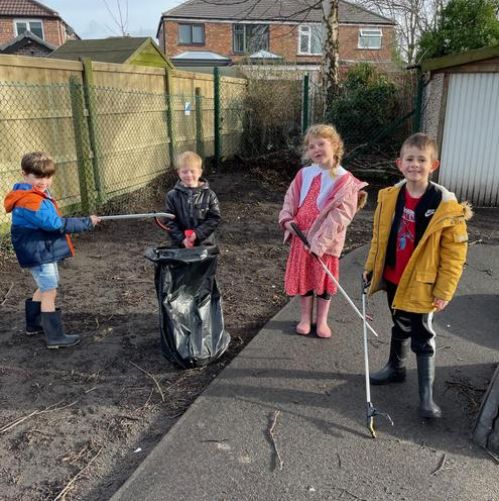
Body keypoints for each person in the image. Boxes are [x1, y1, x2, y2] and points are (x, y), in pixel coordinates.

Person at [363, 133, 471, 418]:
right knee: (399, 325)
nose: (415, 165)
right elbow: (379, 237)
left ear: (433, 164)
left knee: (422, 334)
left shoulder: (446, 206)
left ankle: (426, 398)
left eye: (421, 160)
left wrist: (444, 290)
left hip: (423, 284)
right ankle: (395, 368)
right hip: (394, 277)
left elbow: (455, 254)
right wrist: (371, 268)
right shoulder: (390, 197)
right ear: (400, 164)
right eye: (409, 159)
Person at [4, 152, 100, 349]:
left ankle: (34, 324)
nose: (44, 181)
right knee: (50, 291)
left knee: (45, 285)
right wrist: (86, 222)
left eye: (47, 176)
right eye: (38, 176)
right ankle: (55, 337)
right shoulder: (30, 200)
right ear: (24, 174)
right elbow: (54, 224)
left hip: (40, 250)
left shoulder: (34, 194)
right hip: (39, 252)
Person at [279, 124, 367, 338]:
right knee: (306, 278)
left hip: (325, 242)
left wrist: (319, 244)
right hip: (301, 236)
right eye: (311, 146)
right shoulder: (304, 174)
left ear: (335, 145)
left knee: (323, 280)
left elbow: (340, 217)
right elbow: (290, 199)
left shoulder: (345, 181)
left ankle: (322, 320)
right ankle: (305, 318)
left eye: (321, 143)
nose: (316, 149)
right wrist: (287, 218)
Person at [165, 151, 221, 248]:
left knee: (205, 263)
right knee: (181, 263)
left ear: (199, 172)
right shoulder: (172, 196)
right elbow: (169, 221)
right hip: (180, 246)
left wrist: (197, 234)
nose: (189, 175)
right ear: (178, 173)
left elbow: (214, 218)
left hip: (205, 245)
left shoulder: (210, 195)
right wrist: (182, 239)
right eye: (184, 172)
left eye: (192, 171)